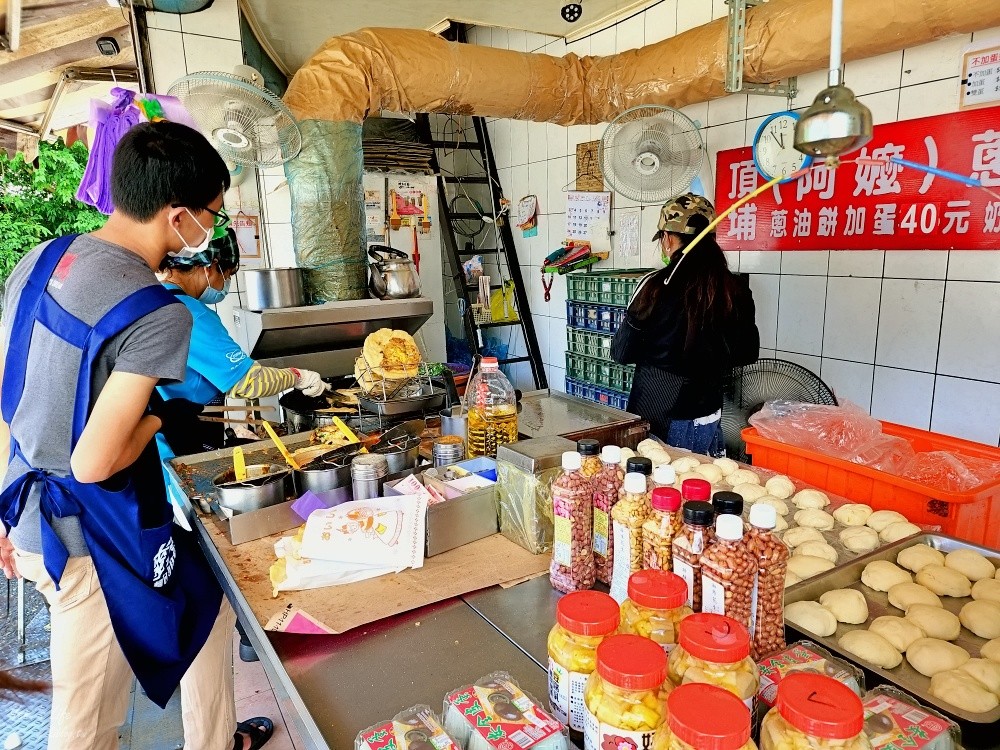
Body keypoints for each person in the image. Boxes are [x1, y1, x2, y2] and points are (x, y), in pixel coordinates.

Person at [0, 121, 273, 750]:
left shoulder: (43, 260)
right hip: (85, 538)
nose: (213, 228)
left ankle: (215, 738)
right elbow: (94, 462)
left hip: (27, 505)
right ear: (177, 217)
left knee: (208, 605)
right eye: (212, 214)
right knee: (87, 723)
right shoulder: (157, 310)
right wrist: (162, 417)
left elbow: (10, 395)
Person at [155, 227, 325, 661]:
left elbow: (198, 377)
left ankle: (221, 628)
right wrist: (298, 376)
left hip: (174, 438)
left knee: (199, 541)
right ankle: (248, 630)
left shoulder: (154, 301)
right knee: (214, 537)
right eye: (225, 273)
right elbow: (248, 378)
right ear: (208, 268)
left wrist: (238, 418)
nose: (223, 284)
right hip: (179, 448)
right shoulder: (188, 310)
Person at [611, 193, 759, 455]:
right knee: (698, 487)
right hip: (709, 414)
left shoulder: (655, 286)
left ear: (668, 238)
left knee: (661, 491)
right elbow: (747, 352)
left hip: (659, 415)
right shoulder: (735, 289)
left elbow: (622, 353)